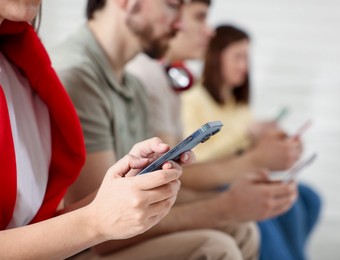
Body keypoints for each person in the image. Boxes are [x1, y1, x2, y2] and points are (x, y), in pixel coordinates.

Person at [52, 0, 297, 259]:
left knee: (241, 229)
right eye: (172, 6)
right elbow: (101, 232)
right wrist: (224, 206)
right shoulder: (77, 77)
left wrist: (234, 201)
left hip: (107, 236)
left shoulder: (132, 85)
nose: (179, 23)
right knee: (215, 248)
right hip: (83, 247)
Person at [0, 1, 185, 259]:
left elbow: (31, 226)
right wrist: (94, 222)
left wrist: (121, 190)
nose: (181, 24)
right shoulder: (70, 71)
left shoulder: (20, 67)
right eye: (173, 5)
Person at [182, 24, 322, 260]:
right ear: (216, 56)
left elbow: (247, 147)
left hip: (241, 173)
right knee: (276, 207)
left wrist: (269, 140)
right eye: (238, 57)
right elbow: (198, 159)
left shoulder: (239, 104)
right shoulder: (192, 98)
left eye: (247, 58)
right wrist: (248, 140)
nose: (244, 66)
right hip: (215, 181)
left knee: (307, 197)